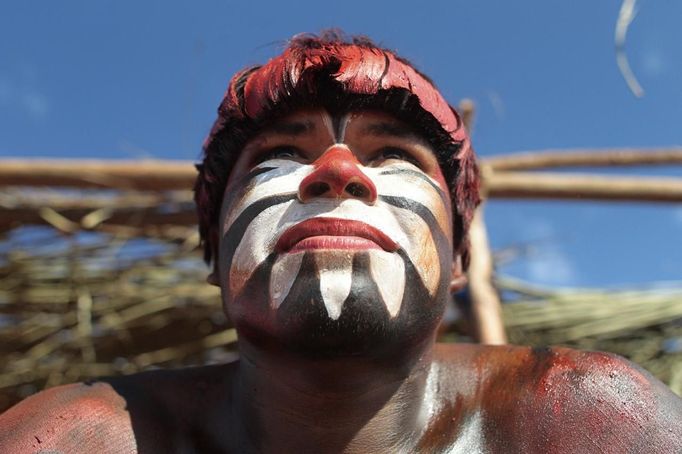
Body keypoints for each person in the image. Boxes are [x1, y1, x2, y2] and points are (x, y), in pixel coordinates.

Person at [1, 31, 681, 454]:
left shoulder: (584, 425)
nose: (336, 170)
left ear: (459, 261)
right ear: (213, 254)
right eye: (279, 154)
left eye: (393, 155)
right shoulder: (82, 441)